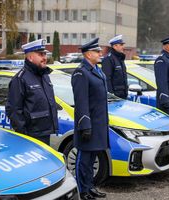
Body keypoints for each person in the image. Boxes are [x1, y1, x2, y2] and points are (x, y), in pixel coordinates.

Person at [71, 38, 108, 200]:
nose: (101, 54)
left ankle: (90, 186)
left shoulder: (96, 70)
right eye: (97, 51)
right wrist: (85, 125)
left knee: (92, 158)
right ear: (88, 54)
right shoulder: (81, 72)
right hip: (88, 124)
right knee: (84, 160)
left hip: (98, 123)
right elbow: (81, 102)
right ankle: (82, 190)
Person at [5, 39, 58, 145]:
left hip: (45, 132)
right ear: (30, 57)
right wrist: (24, 135)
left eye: (45, 54)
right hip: (31, 136)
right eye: (41, 54)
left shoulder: (44, 76)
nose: (44, 58)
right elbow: (14, 110)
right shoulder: (20, 79)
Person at [102, 35, 128, 99]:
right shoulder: (108, 59)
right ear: (114, 46)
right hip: (115, 96)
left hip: (123, 95)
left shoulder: (120, 58)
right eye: (121, 45)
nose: (123, 47)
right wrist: (111, 95)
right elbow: (107, 78)